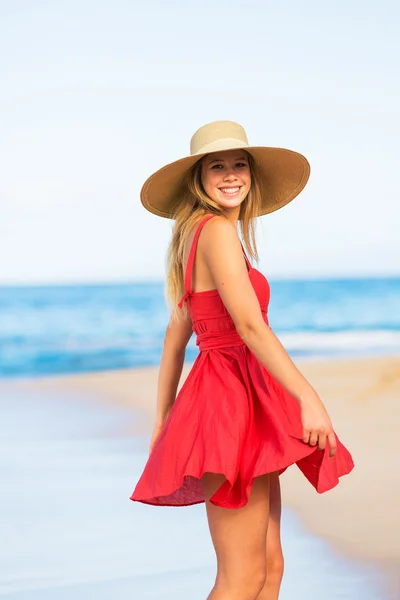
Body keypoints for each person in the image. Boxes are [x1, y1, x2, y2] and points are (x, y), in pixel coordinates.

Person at [130, 120, 354, 600]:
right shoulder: (214, 233)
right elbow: (251, 328)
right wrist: (309, 399)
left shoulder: (200, 236)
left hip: (242, 399)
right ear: (199, 178)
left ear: (250, 175)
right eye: (218, 167)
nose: (231, 175)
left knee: (270, 567)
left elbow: (175, 340)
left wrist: (163, 420)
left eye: (239, 165)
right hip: (228, 404)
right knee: (242, 577)